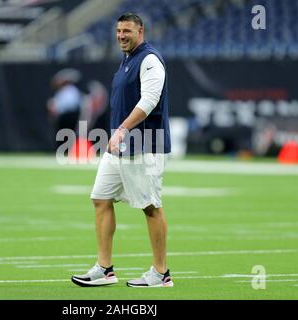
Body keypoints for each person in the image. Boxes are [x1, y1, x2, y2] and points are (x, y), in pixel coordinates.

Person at [71, 13, 173, 288]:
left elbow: (150, 100)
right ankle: (104, 269)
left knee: (151, 207)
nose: (121, 35)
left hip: (145, 144)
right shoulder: (127, 59)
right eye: (118, 31)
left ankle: (161, 273)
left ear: (141, 31)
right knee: (100, 198)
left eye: (127, 30)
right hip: (121, 146)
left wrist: (122, 130)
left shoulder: (149, 59)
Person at [47, 68, 82, 146]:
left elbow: (60, 106)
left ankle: (67, 149)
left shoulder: (70, 90)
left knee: (66, 135)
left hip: (68, 117)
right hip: (67, 117)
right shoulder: (64, 91)